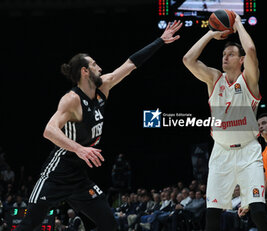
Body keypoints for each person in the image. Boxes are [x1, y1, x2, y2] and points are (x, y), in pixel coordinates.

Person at [14, 20, 182, 231]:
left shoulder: (104, 87)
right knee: (29, 224)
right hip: (56, 174)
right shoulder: (71, 99)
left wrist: (160, 41)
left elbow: (131, 65)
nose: (100, 67)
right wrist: (79, 148)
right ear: (85, 71)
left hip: (79, 178)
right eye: (94, 64)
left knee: (110, 225)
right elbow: (49, 130)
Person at [183, 12, 267, 231]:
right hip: (221, 152)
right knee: (212, 214)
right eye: (223, 54)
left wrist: (239, 24)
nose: (225, 57)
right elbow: (188, 60)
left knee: (258, 212)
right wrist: (210, 34)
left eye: (231, 54)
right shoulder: (214, 79)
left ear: (241, 60)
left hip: (248, 153)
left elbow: (250, 50)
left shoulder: (249, 79)